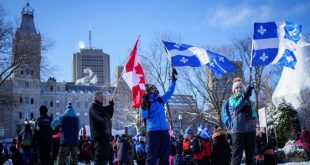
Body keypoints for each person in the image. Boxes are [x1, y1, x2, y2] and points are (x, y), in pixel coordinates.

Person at [140, 68, 177, 165]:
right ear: (149, 91)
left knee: (165, 155)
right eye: (153, 89)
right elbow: (144, 115)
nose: (156, 90)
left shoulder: (160, 100)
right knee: (152, 156)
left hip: (164, 131)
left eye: (156, 88)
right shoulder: (146, 102)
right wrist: (143, 106)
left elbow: (169, 92)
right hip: (153, 131)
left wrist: (173, 80)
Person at [221, 77, 257, 165]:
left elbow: (254, 114)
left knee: (251, 156)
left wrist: (250, 114)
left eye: (240, 87)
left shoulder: (248, 100)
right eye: (237, 87)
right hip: (238, 131)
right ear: (234, 90)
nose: (239, 89)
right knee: (237, 156)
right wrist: (244, 97)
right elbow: (236, 107)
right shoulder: (231, 100)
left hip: (250, 130)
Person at [89, 91, 114, 165]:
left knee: (105, 159)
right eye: (100, 96)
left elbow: (109, 115)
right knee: (100, 159)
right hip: (99, 138)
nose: (102, 98)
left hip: (106, 138)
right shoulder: (93, 107)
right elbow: (101, 116)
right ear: (95, 98)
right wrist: (109, 107)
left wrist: (111, 107)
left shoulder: (102, 108)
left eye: (103, 96)